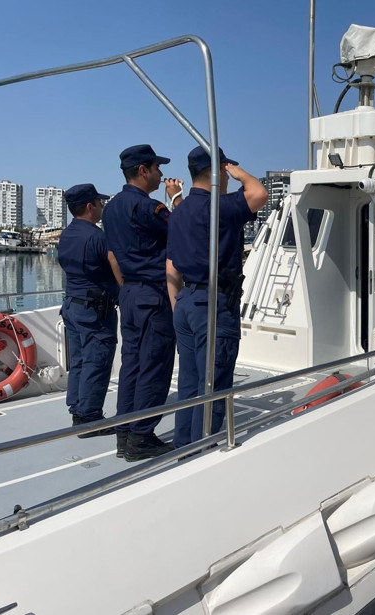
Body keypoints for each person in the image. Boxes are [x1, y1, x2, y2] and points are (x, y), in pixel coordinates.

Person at [166, 146, 268, 447]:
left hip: (186, 302)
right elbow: (259, 193)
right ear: (218, 171)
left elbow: (170, 266)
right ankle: (203, 451)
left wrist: (176, 304)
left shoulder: (178, 211)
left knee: (189, 383)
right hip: (214, 304)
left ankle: (183, 446)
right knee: (213, 385)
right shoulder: (220, 207)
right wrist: (237, 172)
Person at [102, 144, 183, 461]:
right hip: (152, 295)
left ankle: (124, 435)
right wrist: (175, 199)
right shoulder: (149, 209)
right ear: (143, 170)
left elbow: (112, 255)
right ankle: (141, 437)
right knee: (155, 366)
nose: (162, 174)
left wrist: (127, 287)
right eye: (158, 168)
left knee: (132, 366)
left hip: (130, 295)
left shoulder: (110, 208)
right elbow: (184, 232)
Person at [57, 184, 119, 437]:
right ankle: (91, 419)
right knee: (98, 361)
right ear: (89, 206)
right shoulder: (97, 237)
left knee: (81, 361)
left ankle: (78, 411)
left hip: (72, 305)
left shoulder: (67, 234)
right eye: (100, 203)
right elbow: (115, 266)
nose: (102, 207)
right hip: (95, 310)